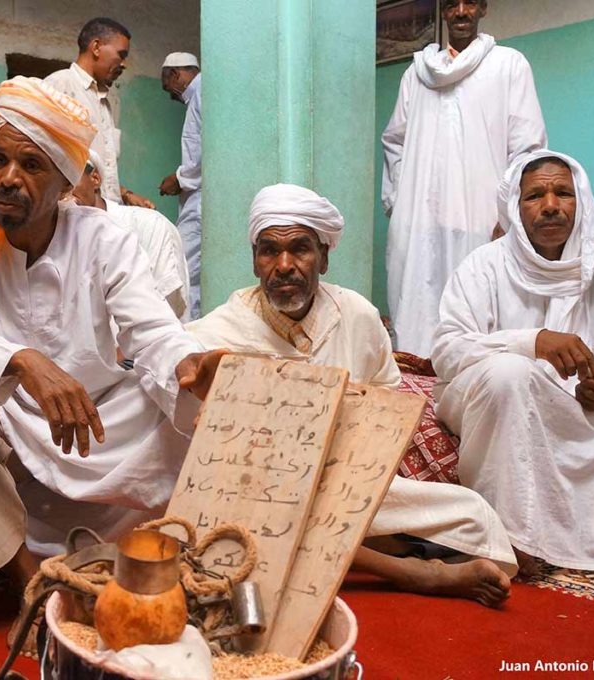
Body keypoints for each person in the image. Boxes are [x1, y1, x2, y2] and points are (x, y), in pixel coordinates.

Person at [0, 77, 226, 595]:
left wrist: (186, 365)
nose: (8, 178)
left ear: (66, 182)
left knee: (185, 408)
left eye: (31, 165)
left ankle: (150, 550)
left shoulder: (102, 239)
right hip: (4, 418)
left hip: (95, 423)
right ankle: (27, 580)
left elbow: (152, 331)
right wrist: (21, 361)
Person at [189, 183, 518, 607]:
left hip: (347, 485)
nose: (284, 265)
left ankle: (366, 547)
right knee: (252, 514)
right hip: (260, 492)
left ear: (324, 256)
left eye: (300, 250)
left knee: (473, 515)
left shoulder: (358, 316)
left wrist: (349, 453)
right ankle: (412, 569)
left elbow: (388, 400)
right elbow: (172, 367)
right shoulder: (221, 330)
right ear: (255, 260)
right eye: (269, 250)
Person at [433, 150, 594, 575]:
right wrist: (533, 343)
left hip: (579, 413)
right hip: (492, 398)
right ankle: (508, 538)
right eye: (535, 196)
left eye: (563, 193)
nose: (550, 206)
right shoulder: (484, 266)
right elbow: (447, 351)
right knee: (511, 374)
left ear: (580, 203)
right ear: (515, 206)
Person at [381, 0, 546, 357]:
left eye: (469, 2)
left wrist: (510, 214)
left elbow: (527, 148)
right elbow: (394, 140)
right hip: (419, 219)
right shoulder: (417, 73)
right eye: (452, 3)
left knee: (476, 313)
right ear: (442, 11)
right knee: (417, 310)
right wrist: (398, 203)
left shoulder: (508, 65)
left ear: (483, 8)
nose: (460, 11)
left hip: (481, 217)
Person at [45, 17, 154, 209]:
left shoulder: (107, 101)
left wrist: (125, 194)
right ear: (96, 47)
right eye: (121, 54)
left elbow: (97, 166)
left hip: (107, 210)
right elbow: (49, 158)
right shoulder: (58, 86)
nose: (124, 64)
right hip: (75, 213)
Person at [71, 149, 189, 320]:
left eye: (70, 177)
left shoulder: (149, 226)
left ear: (95, 179)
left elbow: (166, 311)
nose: (62, 190)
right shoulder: (51, 239)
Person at [158, 52, 202, 318]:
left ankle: (185, 336)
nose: (170, 95)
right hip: (197, 198)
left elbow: (199, 154)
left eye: (167, 87)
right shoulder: (200, 95)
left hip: (199, 201)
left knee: (181, 268)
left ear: (175, 74)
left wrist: (179, 179)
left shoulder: (200, 92)